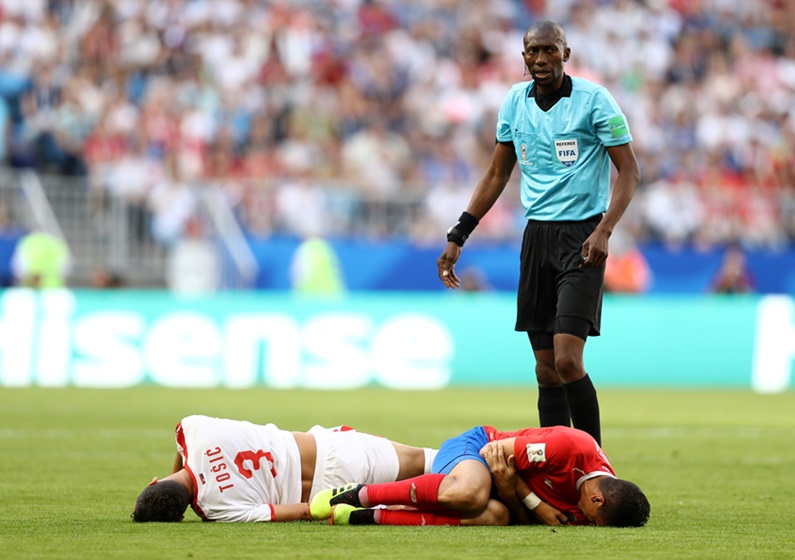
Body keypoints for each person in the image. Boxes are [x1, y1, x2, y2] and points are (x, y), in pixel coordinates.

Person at [436, 21, 641, 446]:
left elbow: (630, 171)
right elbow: (496, 174)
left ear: (566, 54)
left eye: (550, 50)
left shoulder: (594, 100)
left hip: (584, 239)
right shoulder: (514, 101)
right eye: (533, 51)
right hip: (536, 240)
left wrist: (604, 230)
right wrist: (459, 233)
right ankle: (554, 471)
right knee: (545, 369)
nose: (541, 59)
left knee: (568, 360)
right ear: (524, 56)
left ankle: (594, 469)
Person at [316, 425, 649, 528]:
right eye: (596, 522)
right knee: (471, 495)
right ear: (597, 499)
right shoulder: (569, 447)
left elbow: (518, 518)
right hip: (477, 447)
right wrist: (525, 493)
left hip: (499, 488)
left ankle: (369, 517)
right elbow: (495, 454)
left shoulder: (591, 505)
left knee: (496, 517)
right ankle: (360, 493)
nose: (588, 525)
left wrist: (516, 493)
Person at [131, 414, 437, 523]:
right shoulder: (192, 430)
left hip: (331, 493)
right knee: (428, 460)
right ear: (155, 480)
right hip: (329, 448)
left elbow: (302, 512)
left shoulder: (217, 510)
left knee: (435, 497)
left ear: (182, 514)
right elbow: (181, 446)